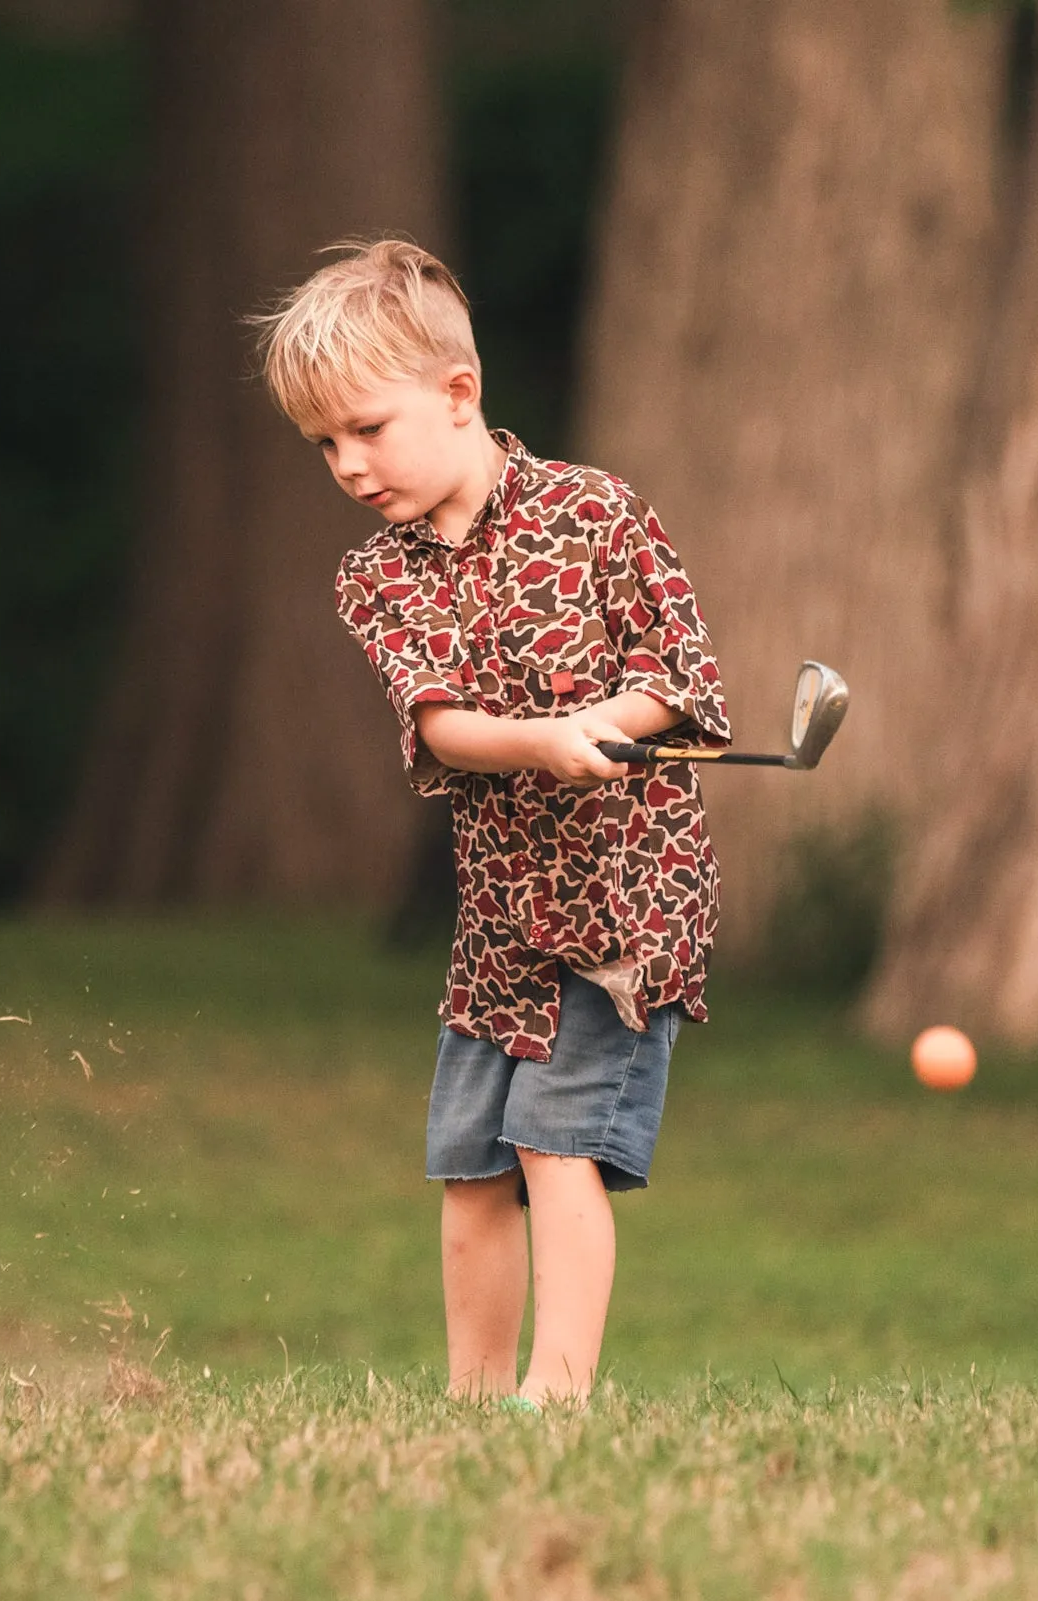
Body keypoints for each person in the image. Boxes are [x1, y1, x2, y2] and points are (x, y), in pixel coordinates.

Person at [253, 239, 729, 1408]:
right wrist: (544, 740)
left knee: (555, 1145)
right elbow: (445, 727)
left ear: (458, 395)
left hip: (622, 900)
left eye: (367, 428)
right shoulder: (378, 578)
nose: (348, 464)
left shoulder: (599, 513)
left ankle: (552, 1400)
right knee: (470, 1166)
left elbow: (675, 681)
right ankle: (472, 1404)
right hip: (501, 914)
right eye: (324, 444)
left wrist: (602, 721)